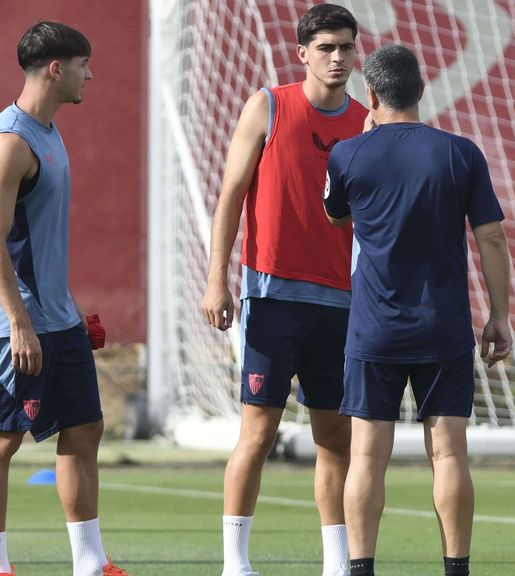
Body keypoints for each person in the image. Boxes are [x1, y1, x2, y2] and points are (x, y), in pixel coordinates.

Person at [322, 44, 511, 576]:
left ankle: (361, 568)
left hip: (374, 328)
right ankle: (456, 568)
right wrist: (499, 315)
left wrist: (365, 141)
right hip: (442, 326)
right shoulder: (460, 153)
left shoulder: (348, 154)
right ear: (422, 91)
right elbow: (492, 238)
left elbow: (336, 216)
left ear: (371, 94)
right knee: (449, 454)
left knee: (366, 457)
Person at [199, 4, 367, 575]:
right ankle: (235, 564)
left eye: (346, 47)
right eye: (326, 48)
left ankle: (337, 564)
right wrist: (217, 279)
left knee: (334, 438)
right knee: (258, 433)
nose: (337, 58)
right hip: (272, 298)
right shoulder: (268, 106)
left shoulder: (366, 123)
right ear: (302, 54)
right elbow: (230, 196)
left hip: (342, 304)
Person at [0, 21, 127, 576]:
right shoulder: (9, 142)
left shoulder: (50, 132)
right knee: (0, 440)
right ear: (56, 69)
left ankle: (90, 564)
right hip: (15, 324)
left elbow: (40, 239)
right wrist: (19, 323)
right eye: (84, 65)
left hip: (58, 319)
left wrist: (69, 309)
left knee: (84, 428)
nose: (91, 75)